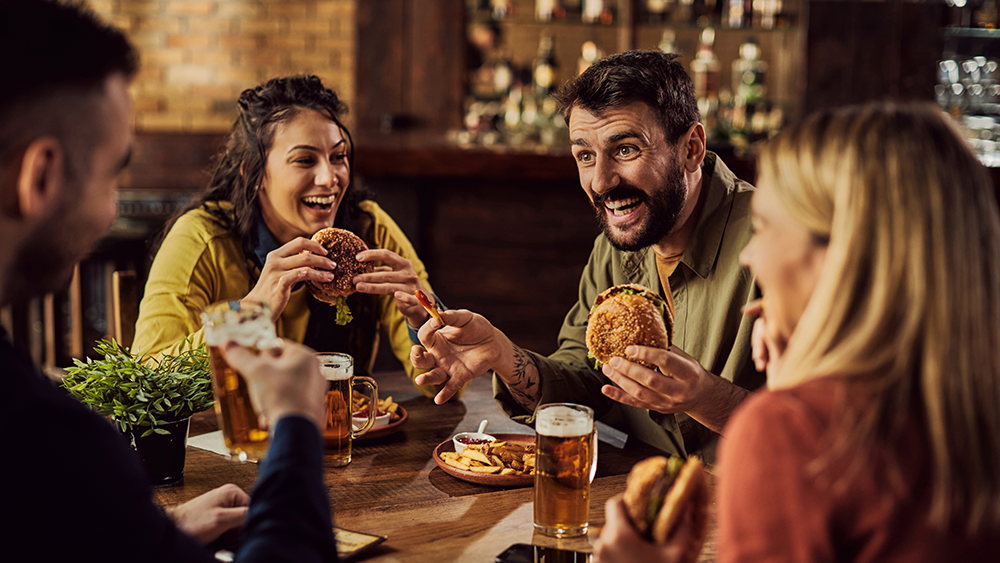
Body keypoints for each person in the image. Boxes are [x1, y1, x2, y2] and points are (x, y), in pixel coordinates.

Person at [0, 1, 337, 561]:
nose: (111, 213)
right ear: (41, 176)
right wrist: (296, 429)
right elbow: (147, 379)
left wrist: (152, 536)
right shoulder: (46, 441)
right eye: (113, 173)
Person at [595, 102, 1000, 562]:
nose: (749, 257)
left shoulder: (788, 434)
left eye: (764, 228)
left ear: (839, 255)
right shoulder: (973, 410)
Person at [411, 50, 762, 462]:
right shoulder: (614, 248)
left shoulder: (781, 243)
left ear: (691, 149)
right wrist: (503, 356)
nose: (600, 181)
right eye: (585, 155)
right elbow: (582, 380)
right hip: (634, 499)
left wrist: (706, 398)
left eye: (626, 149)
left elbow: (838, 431)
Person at [133, 74, 443, 397]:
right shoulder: (201, 240)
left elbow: (447, 387)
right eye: (305, 160)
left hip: (344, 441)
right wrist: (248, 313)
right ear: (254, 175)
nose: (330, 177)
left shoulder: (369, 229)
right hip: (233, 441)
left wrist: (424, 316)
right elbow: (145, 387)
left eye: (338, 157)